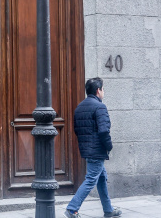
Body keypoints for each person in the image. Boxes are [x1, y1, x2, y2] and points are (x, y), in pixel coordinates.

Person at [63, 77, 122, 218]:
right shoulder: (100, 106)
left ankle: (108, 210)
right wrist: (109, 146)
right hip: (96, 150)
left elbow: (77, 130)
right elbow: (103, 131)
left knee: (101, 178)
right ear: (98, 90)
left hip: (87, 149)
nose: (103, 92)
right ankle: (72, 209)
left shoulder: (80, 107)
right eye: (103, 89)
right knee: (91, 179)